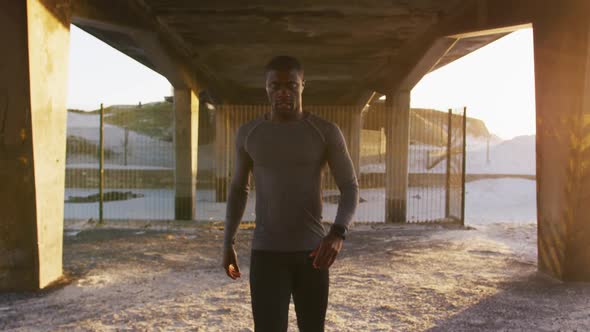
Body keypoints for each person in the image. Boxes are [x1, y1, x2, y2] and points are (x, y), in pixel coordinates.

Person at [222, 55, 359, 332]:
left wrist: (337, 234)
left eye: (291, 86)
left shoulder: (325, 131)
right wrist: (228, 243)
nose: (283, 92)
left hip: (312, 256)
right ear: (266, 88)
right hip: (266, 255)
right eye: (275, 86)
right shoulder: (250, 133)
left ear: (302, 86)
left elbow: (350, 187)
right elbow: (239, 189)